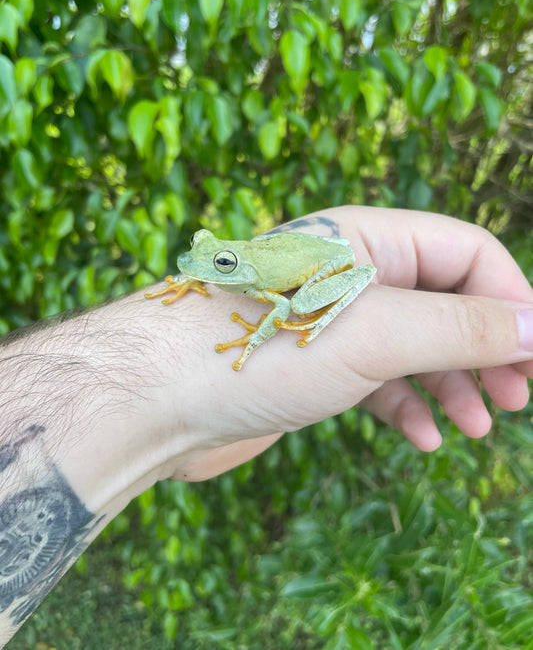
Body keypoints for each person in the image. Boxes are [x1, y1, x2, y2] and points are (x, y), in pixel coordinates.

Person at [1, 205, 533, 646]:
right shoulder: (234, 267)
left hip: (316, 275)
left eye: (222, 263)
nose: (199, 264)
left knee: (294, 303)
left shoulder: (258, 280)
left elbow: (277, 309)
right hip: (296, 260)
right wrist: (194, 279)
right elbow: (205, 260)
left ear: (240, 263)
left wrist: (255, 339)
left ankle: (319, 314)